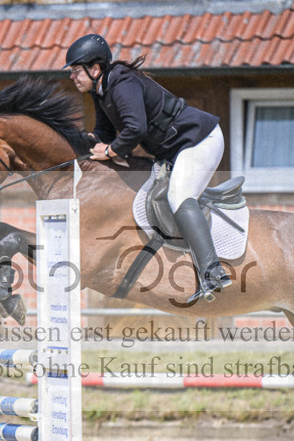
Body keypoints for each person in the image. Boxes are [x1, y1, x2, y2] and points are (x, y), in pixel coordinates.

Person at [65, 33, 231, 303]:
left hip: (200, 139)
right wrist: (79, 143)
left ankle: (213, 272)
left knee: (179, 197)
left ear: (95, 69)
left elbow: (135, 129)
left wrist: (109, 151)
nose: (72, 77)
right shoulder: (101, 91)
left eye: (75, 71)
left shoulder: (121, 82)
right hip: (174, 150)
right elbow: (104, 133)